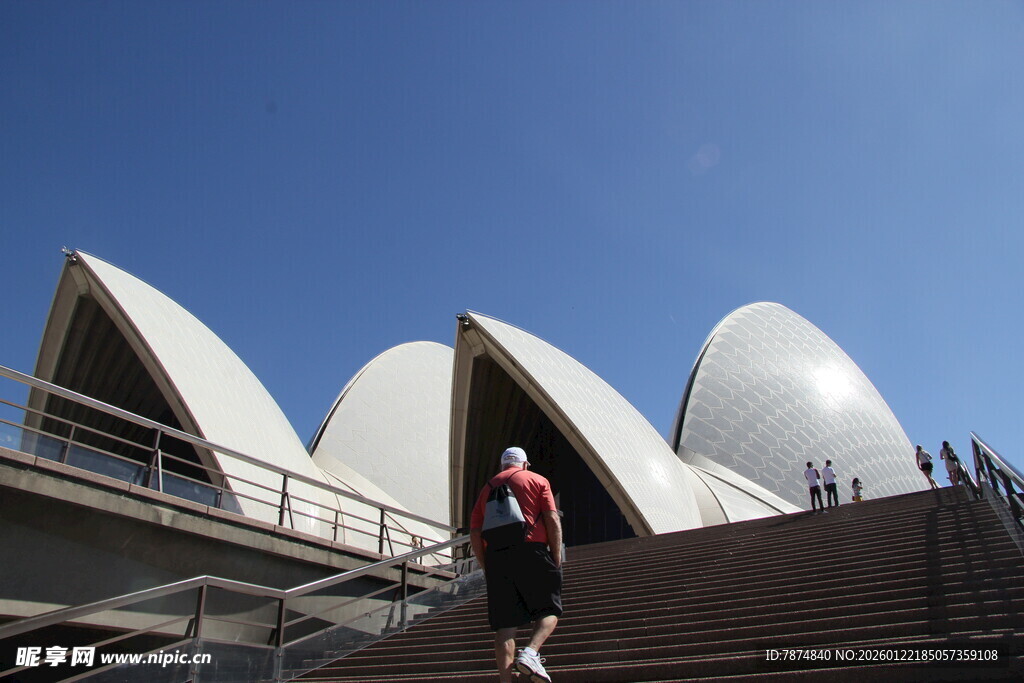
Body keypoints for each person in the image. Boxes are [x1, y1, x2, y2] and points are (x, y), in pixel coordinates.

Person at [470, 447, 563, 683]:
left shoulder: (487, 488)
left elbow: (474, 532)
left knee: (505, 627)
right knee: (549, 611)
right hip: (532, 550)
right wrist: (555, 555)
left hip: (498, 558)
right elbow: (552, 518)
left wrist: (486, 564)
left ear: (503, 465)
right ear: (525, 464)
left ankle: (505, 681)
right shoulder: (537, 480)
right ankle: (531, 653)